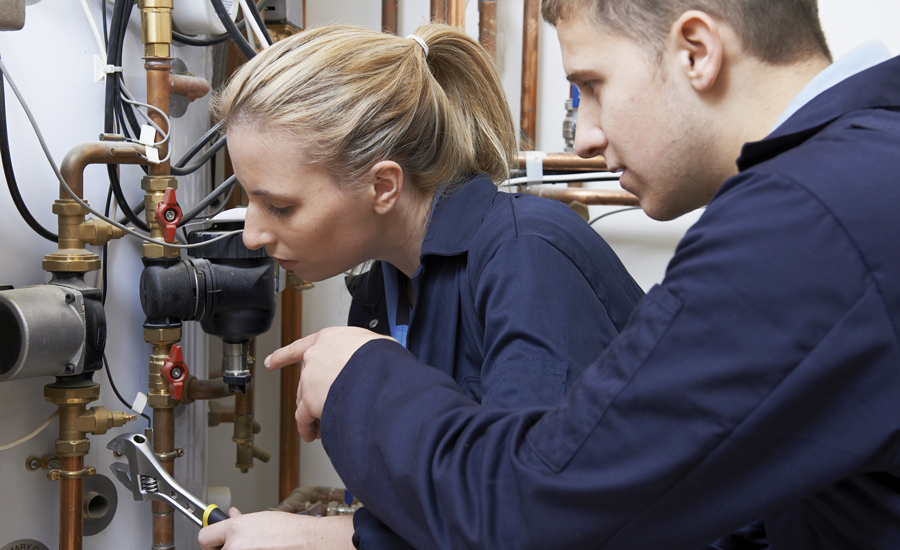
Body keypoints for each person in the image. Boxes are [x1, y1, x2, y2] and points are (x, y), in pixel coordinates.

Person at [264, 0, 900, 549]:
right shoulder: (859, 179)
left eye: (591, 85)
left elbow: (531, 517)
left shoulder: (807, 219)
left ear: (697, 52)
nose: (587, 137)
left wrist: (358, 375)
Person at [197, 22, 645, 550]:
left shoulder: (528, 258)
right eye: (248, 200)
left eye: (279, 206)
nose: (251, 234)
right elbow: (432, 511)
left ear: (383, 185)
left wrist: (325, 538)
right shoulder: (384, 290)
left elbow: (531, 522)